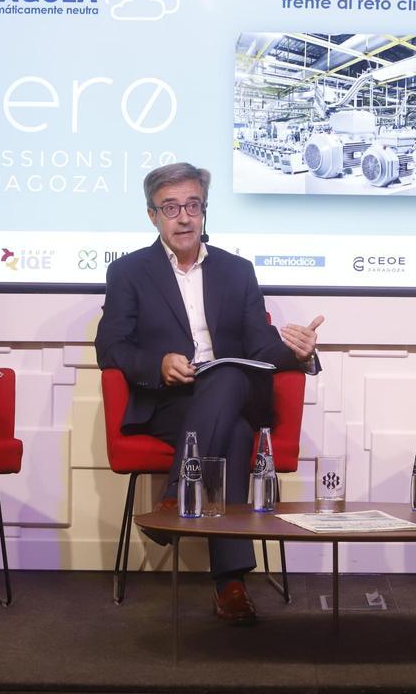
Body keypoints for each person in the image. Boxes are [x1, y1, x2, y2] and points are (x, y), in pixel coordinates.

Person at [95, 162, 322, 624]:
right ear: (152, 215)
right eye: (171, 207)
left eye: (192, 205)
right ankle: (230, 583)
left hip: (232, 389)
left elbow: (260, 347)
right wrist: (158, 365)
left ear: (204, 211)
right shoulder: (129, 272)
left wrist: (298, 353)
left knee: (229, 374)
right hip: (171, 402)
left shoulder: (236, 271)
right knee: (235, 434)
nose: (184, 217)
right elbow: (110, 347)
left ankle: (178, 495)